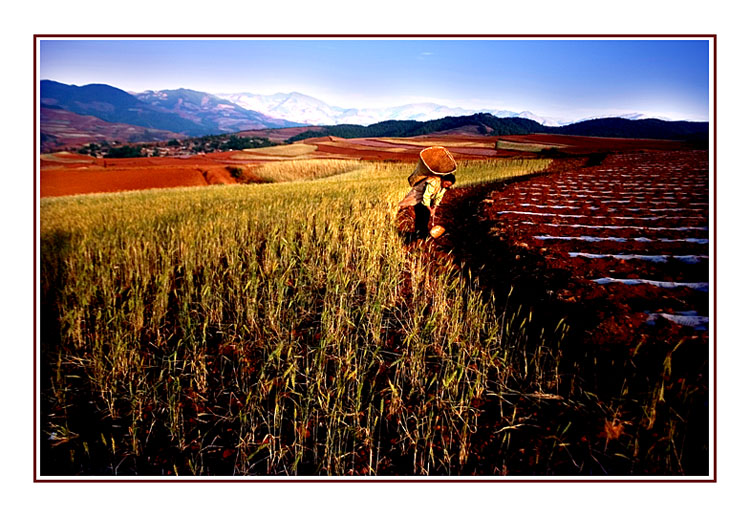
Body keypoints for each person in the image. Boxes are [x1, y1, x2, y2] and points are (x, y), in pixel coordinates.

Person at [398, 172, 455, 240]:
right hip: (418, 198)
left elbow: (438, 198)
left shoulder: (444, 188)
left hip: (427, 200)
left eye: (448, 185)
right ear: (443, 180)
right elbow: (426, 196)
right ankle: (418, 235)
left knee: (426, 217)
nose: (446, 186)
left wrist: (434, 208)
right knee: (420, 217)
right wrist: (430, 209)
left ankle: (423, 235)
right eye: (446, 184)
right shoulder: (433, 182)